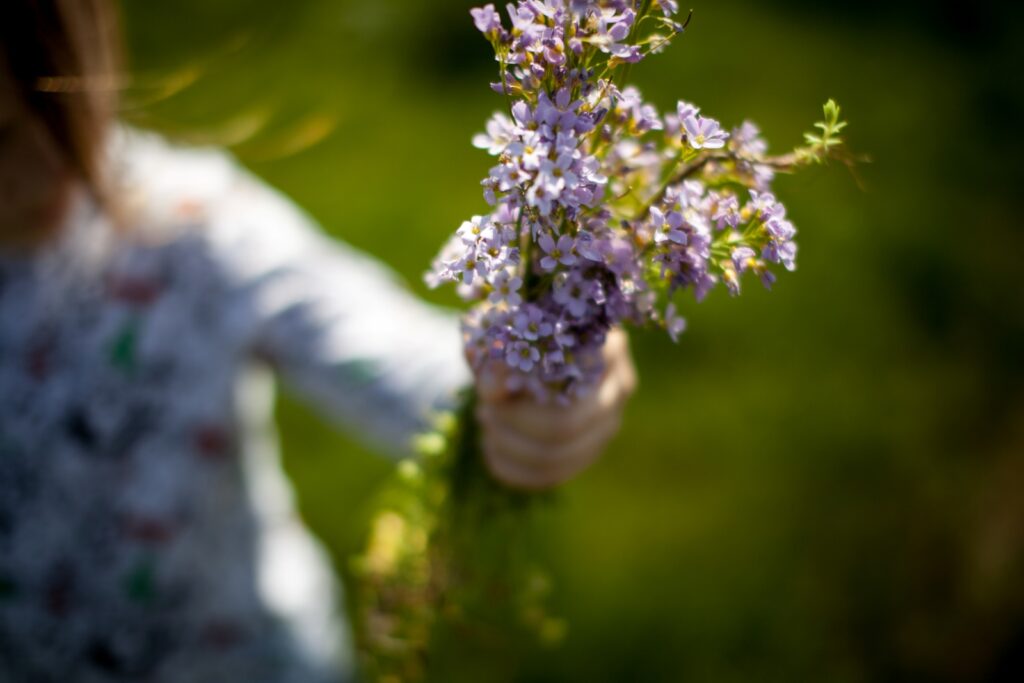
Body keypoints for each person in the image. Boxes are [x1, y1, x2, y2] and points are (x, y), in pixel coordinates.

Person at [0, 1, 636, 681]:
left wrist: (522, 380)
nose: (44, 162)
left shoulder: (192, 225)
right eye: (2, 139)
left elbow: (385, 352)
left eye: (61, 107)